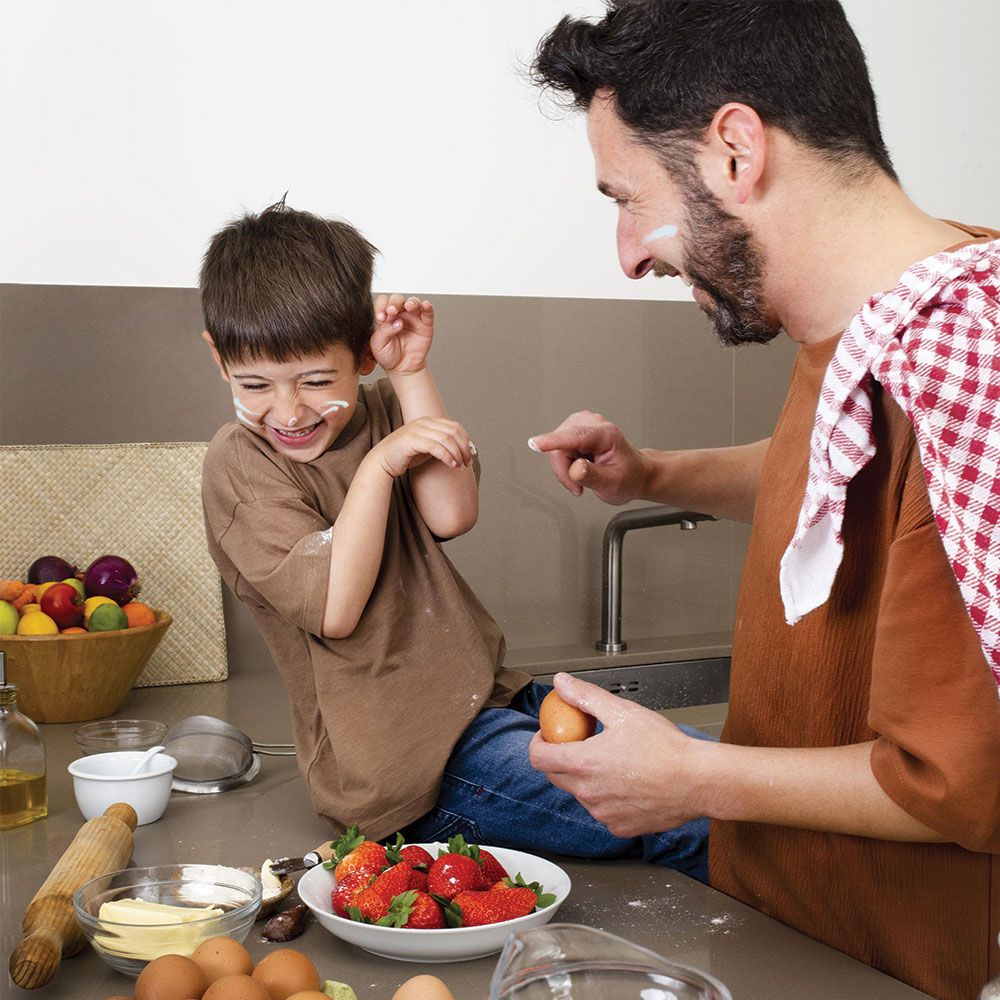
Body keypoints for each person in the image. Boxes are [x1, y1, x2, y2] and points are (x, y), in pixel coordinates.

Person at [524, 2, 1000, 998]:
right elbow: (835, 476)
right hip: (792, 923)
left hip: (898, 964)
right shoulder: (871, 325)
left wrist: (689, 777)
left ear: (737, 151)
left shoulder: (966, 370)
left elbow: (959, 786)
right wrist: (650, 473)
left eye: (625, 196)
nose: (625, 252)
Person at [198, 198, 711, 879]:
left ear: (361, 356)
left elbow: (451, 514)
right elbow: (334, 608)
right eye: (255, 385)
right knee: (689, 812)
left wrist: (410, 373)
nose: (288, 411)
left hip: (493, 698)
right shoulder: (240, 464)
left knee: (706, 765)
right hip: (413, 769)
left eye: (317, 381)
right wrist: (382, 467)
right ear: (218, 359)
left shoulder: (387, 407)